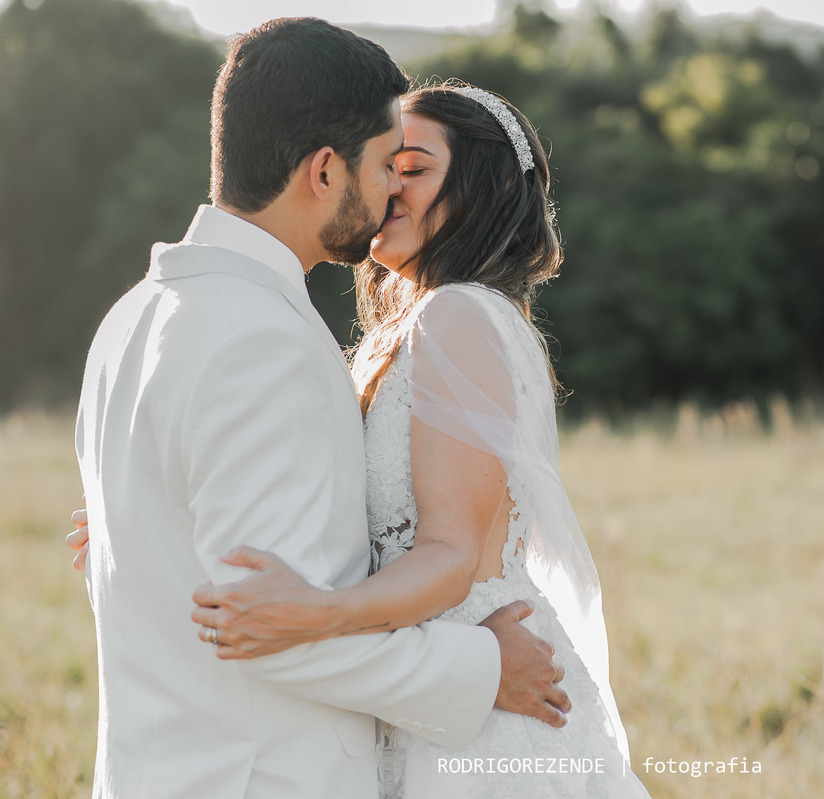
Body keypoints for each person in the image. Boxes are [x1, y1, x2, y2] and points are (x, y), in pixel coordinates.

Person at [70, 20, 566, 799]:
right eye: (382, 165)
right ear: (325, 171)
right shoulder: (258, 340)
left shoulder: (132, 317)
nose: (389, 190)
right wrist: (483, 668)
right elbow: (272, 628)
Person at [183, 82, 651, 797]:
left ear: (484, 185)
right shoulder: (413, 326)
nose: (388, 188)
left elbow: (450, 553)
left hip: (485, 701)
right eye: (385, 164)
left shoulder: (457, 317)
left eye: (416, 167)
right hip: (430, 684)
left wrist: (315, 614)